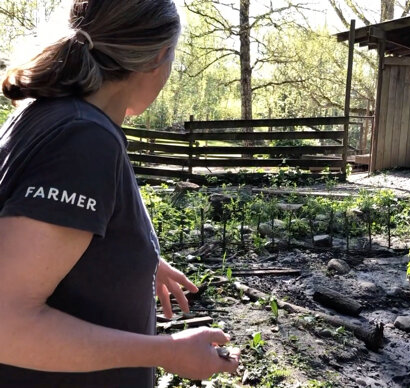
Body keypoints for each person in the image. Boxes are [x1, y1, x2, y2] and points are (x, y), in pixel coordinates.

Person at [0, 1, 240, 387]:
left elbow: (42, 241)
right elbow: (5, 324)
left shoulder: (48, 115)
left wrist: (133, 259)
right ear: (160, 56)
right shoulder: (84, 139)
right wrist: (167, 351)